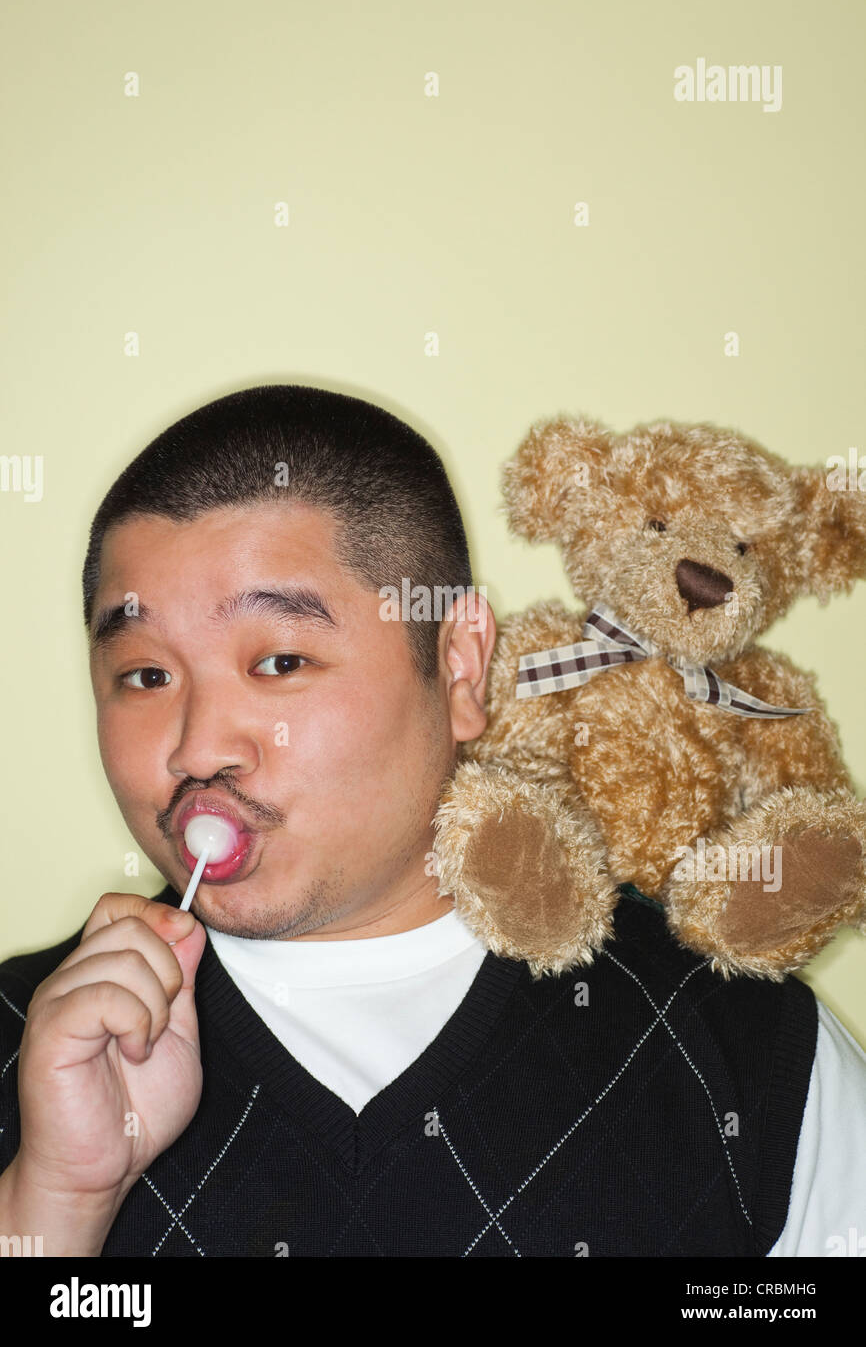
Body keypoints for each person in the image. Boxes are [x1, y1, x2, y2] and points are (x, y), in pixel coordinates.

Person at [0, 383, 864, 1258]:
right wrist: (58, 1201)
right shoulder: (32, 1052)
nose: (196, 750)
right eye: (146, 677)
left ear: (458, 665)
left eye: (281, 660)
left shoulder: (745, 1051)